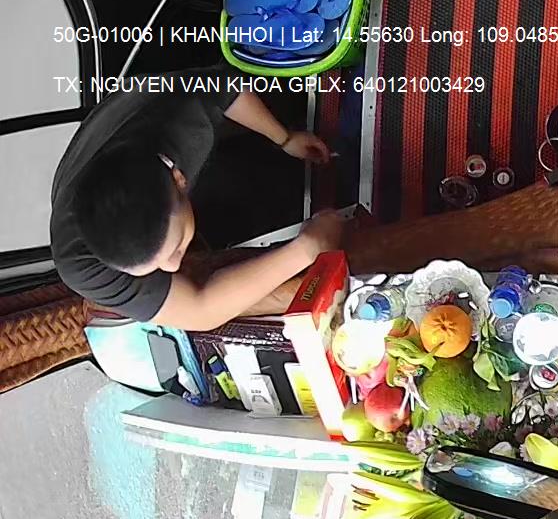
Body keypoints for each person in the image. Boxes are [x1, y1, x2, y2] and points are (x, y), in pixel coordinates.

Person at [51, 69, 343, 331]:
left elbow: (225, 87)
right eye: (159, 263)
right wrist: (307, 248)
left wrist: (284, 137)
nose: (173, 266)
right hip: (132, 163)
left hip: (159, 125)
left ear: (180, 179)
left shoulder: (173, 112)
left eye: (177, 247)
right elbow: (200, 310)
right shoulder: (81, 264)